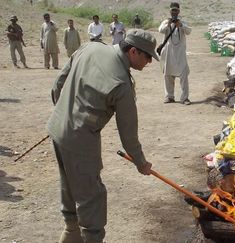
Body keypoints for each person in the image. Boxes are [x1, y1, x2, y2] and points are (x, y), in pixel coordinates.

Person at [47, 29, 159, 243]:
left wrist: (63, 112)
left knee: (69, 185)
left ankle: (71, 233)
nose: (149, 63)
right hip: (80, 140)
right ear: (134, 51)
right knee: (92, 196)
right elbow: (129, 135)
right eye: (147, 57)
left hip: (57, 129)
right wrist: (141, 163)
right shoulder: (121, 83)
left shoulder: (91, 47)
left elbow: (58, 83)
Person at [158, 2, 192, 105]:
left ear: (179, 11)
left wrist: (180, 25)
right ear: (170, 11)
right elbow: (160, 30)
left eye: (176, 10)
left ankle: (184, 98)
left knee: (184, 75)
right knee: (167, 75)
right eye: (172, 10)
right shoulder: (165, 22)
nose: (174, 12)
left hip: (180, 54)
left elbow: (189, 31)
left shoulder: (182, 22)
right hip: (168, 53)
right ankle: (169, 96)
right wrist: (168, 24)